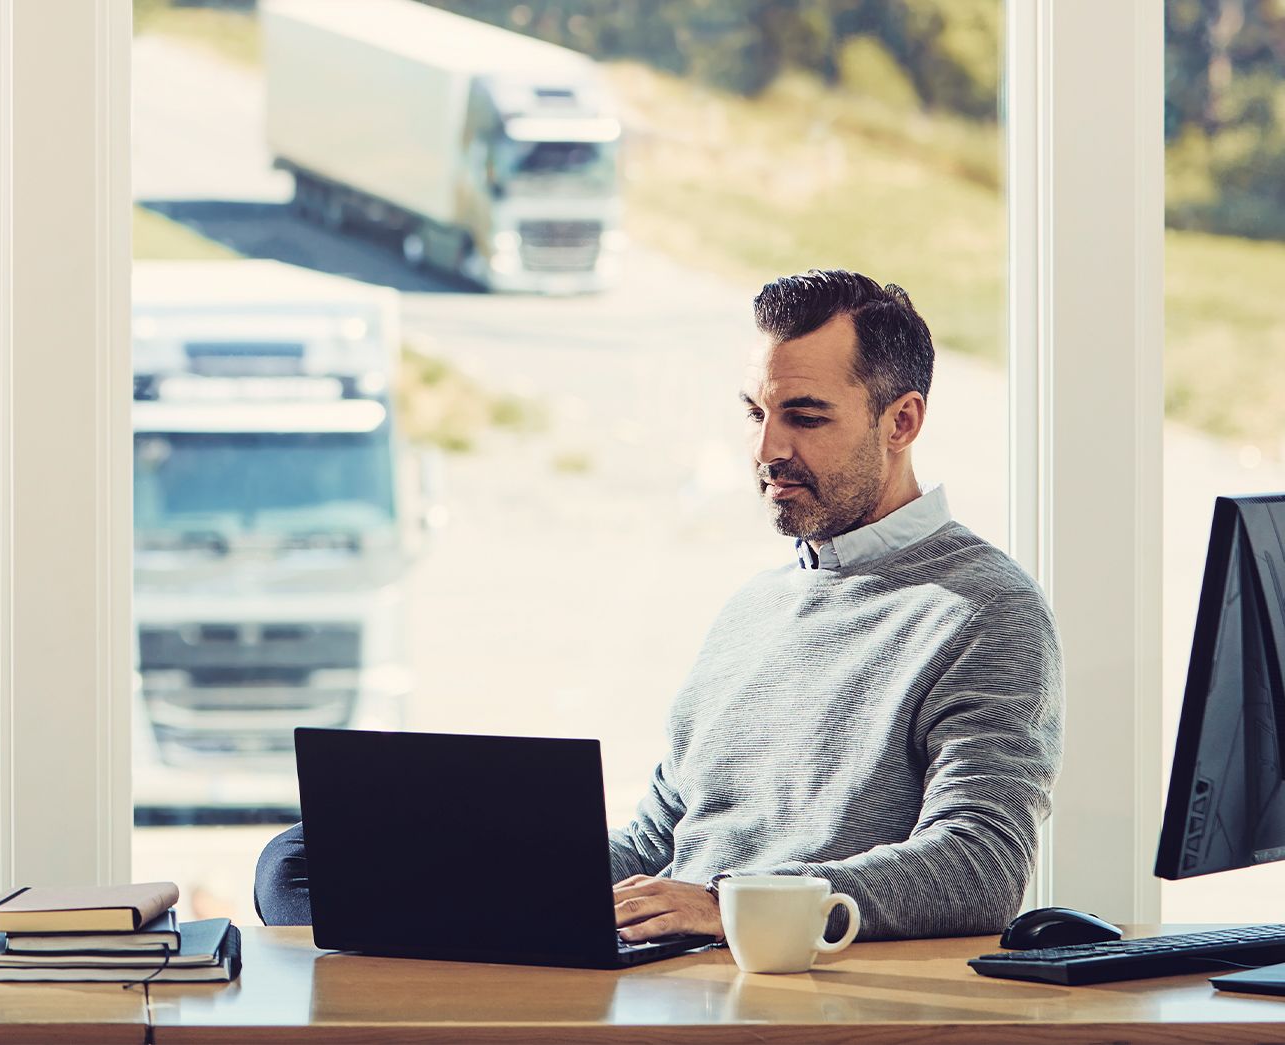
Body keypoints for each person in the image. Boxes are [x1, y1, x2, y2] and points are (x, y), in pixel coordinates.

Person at [253, 269, 1063, 942]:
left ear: (903, 421)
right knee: (302, 862)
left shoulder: (982, 608)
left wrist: (730, 906)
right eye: (759, 413)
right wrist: (481, 862)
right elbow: (656, 840)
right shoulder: (757, 605)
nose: (768, 450)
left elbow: (981, 862)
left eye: (806, 417)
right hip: (671, 958)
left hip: (773, 985)